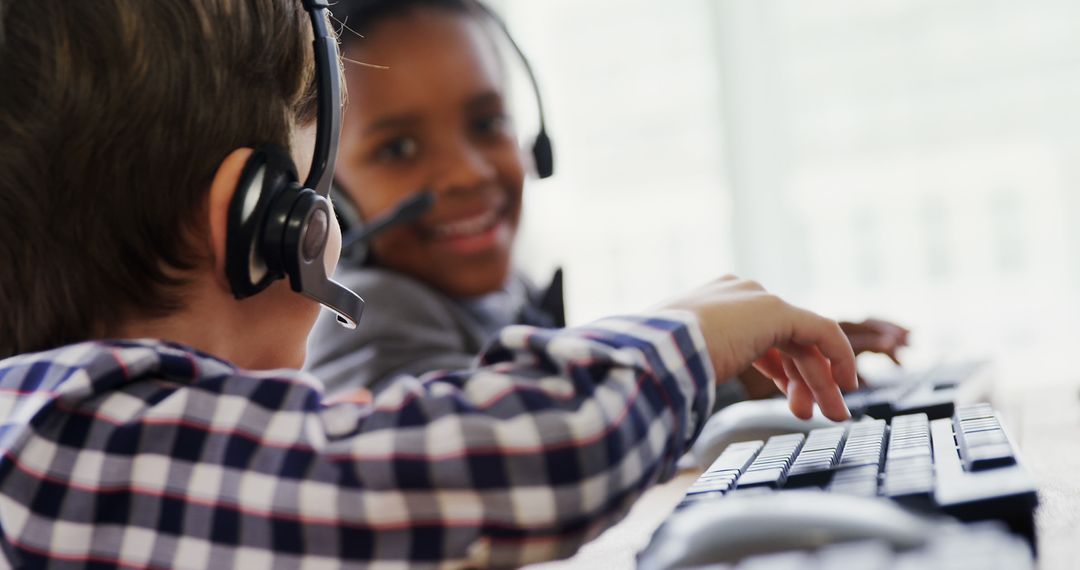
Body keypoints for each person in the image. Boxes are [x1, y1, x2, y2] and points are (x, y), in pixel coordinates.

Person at [0, 0, 855, 567]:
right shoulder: (61, 445)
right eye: (317, 187)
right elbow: (503, 458)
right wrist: (688, 333)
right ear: (261, 231)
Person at [305, 0, 909, 403]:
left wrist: (734, 372)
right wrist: (689, 348)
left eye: (488, 123)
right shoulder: (366, 315)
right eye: (400, 148)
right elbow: (506, 434)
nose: (467, 172)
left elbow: (558, 393)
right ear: (331, 192)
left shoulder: (493, 298)